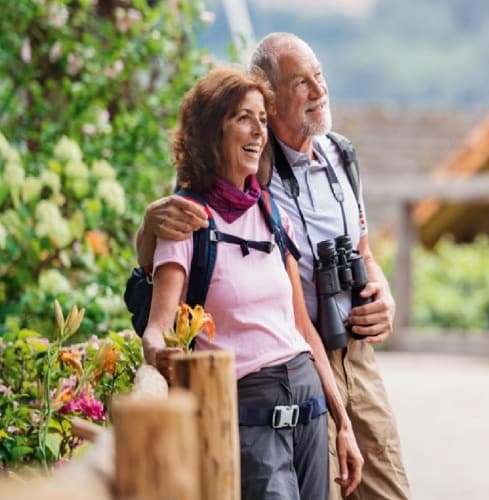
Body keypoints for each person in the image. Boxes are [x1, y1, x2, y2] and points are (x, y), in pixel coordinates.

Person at [136, 34, 411, 500]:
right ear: (271, 92)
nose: (318, 90)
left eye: (318, 76)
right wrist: (148, 225)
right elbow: (174, 238)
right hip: (270, 379)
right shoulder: (240, 180)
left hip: (349, 357)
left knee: (390, 490)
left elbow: (364, 253)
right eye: (301, 83)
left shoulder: (340, 156)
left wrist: (383, 292)